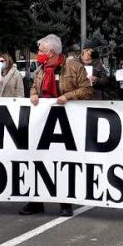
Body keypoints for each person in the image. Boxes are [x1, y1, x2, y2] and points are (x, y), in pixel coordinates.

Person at [21, 34, 93, 217]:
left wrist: (68, 96)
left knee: (63, 163)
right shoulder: (41, 70)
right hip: (43, 123)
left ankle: (65, 203)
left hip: (66, 124)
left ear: (51, 52)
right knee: (37, 161)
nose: (38, 53)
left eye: (41, 50)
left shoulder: (74, 67)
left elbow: (87, 90)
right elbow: (35, 87)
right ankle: (36, 201)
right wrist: (33, 94)